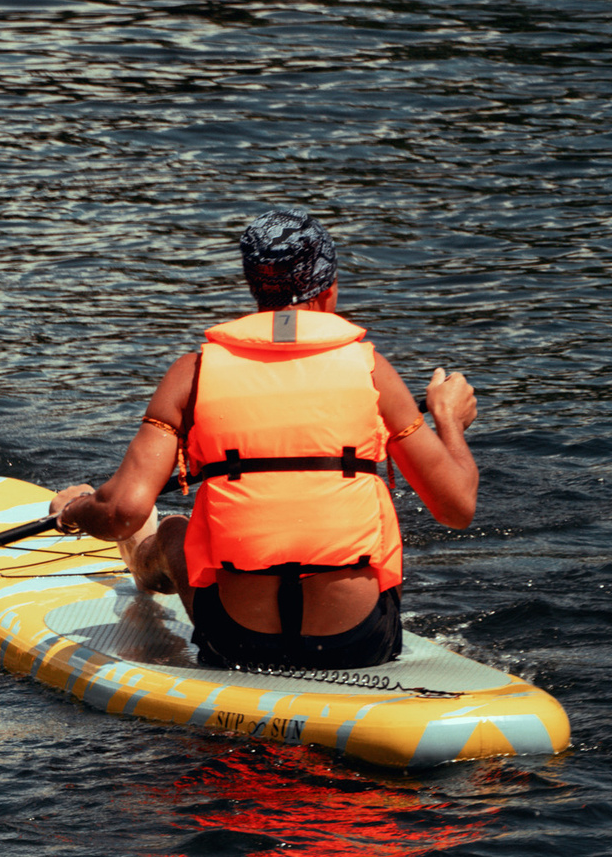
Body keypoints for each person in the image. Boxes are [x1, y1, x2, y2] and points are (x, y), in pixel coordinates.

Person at [47, 208, 480, 671]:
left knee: (174, 530)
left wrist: (73, 512)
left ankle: (146, 572)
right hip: (357, 641)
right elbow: (456, 508)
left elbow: (122, 512)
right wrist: (447, 419)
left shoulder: (192, 374)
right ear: (329, 289)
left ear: (254, 287)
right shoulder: (373, 371)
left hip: (241, 641)